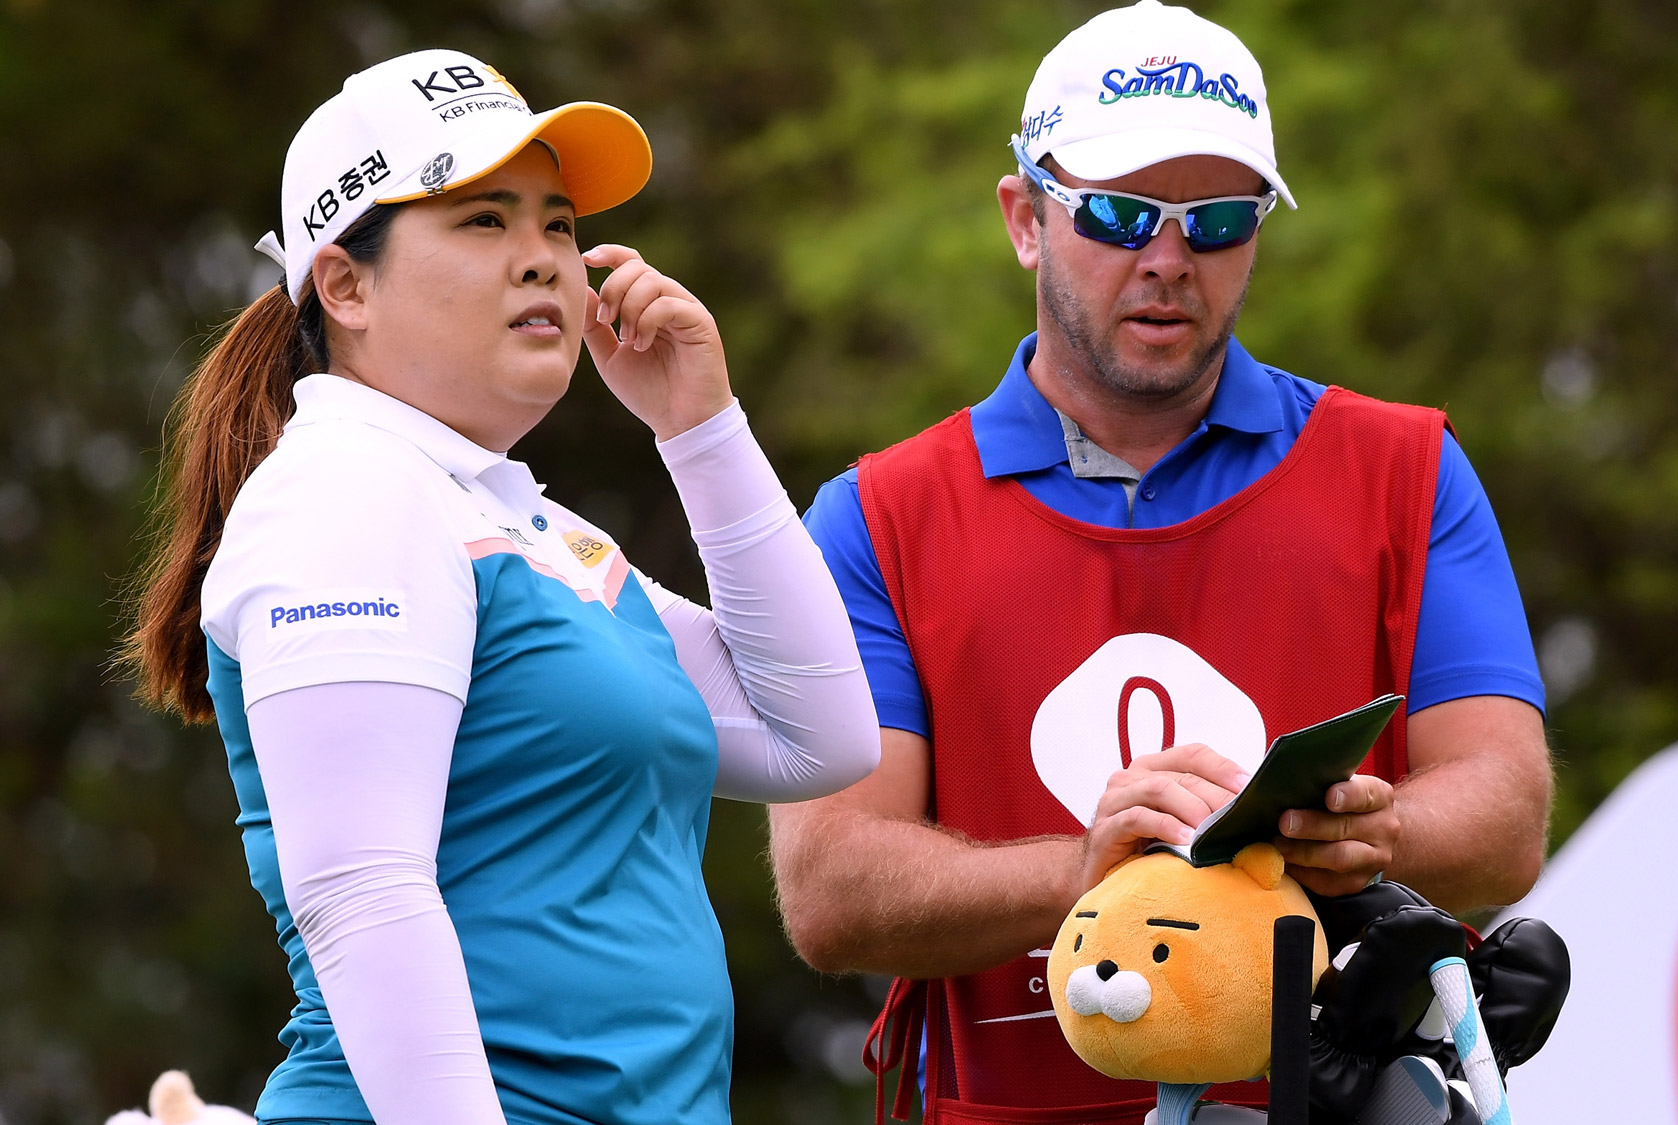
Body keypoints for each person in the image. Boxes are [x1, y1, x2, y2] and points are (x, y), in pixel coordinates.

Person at [766, 3, 1552, 1122]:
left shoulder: (1405, 469)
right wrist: (1089, 869)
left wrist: (1377, 832)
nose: (1169, 260)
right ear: (1024, 219)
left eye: (1218, 220)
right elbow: (828, 889)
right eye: (1122, 215)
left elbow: (1505, 812)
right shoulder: (873, 516)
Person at [122, 49, 879, 1125]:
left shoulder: (518, 525)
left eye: (559, 226)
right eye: (484, 222)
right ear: (344, 284)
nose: (543, 262)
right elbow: (359, 895)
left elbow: (822, 739)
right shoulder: (345, 491)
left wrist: (701, 430)